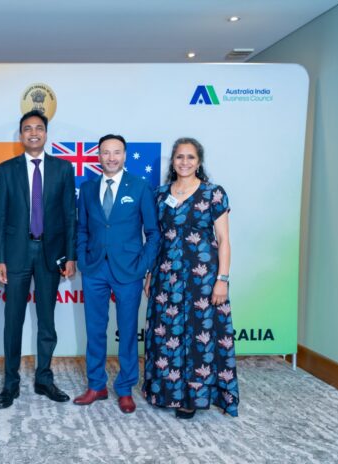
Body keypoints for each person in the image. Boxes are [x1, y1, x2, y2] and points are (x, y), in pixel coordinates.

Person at [142, 137, 239, 419]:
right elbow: (156, 239)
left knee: (200, 337)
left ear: (199, 162)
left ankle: (192, 398)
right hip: (166, 277)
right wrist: (149, 274)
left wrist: (222, 279)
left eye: (190, 157)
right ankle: (167, 393)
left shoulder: (213, 194)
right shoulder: (160, 195)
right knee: (166, 334)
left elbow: (224, 239)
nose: (184, 162)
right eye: (179, 157)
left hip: (203, 279)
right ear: (172, 161)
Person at [0, 110, 77, 409]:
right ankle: (10, 383)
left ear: (45, 133)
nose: (33, 133)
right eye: (27, 128)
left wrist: (71, 256)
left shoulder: (63, 168)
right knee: (13, 321)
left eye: (38, 128)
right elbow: (0, 216)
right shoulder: (7, 169)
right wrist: (0, 258)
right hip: (16, 253)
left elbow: (69, 215)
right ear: (20, 135)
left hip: (50, 253)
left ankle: (44, 378)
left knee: (46, 321)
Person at [74, 134, 160, 413]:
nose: (111, 157)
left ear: (124, 155)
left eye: (116, 152)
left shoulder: (140, 187)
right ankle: (96, 385)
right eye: (106, 152)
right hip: (94, 268)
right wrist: (83, 258)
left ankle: (125, 388)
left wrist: (143, 265)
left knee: (128, 331)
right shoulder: (87, 188)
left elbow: (153, 233)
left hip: (129, 270)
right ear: (98, 156)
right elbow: (82, 229)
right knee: (95, 330)